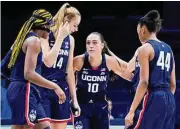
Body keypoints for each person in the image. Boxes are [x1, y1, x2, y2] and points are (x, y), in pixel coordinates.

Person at [3, 9, 66, 129]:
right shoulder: (34, 41)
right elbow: (29, 74)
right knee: (25, 126)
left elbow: (3, 67)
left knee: (42, 126)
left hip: (22, 89)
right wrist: (55, 86)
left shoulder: (22, 39)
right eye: (50, 24)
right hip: (24, 89)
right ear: (43, 24)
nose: (51, 29)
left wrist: (15, 82)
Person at [125, 10, 176, 129]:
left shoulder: (145, 49)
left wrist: (131, 111)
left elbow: (144, 82)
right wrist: (164, 101)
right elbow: (173, 84)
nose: (138, 35)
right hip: (169, 99)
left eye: (138, 31)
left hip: (153, 96)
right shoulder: (169, 49)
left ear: (142, 29)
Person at [73, 32, 133, 129]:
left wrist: (141, 80)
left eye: (94, 43)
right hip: (82, 106)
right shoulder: (79, 60)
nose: (90, 46)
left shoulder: (109, 61)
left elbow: (124, 73)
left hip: (100, 106)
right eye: (88, 43)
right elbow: (66, 75)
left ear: (102, 45)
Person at [37, 3, 81, 129]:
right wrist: (60, 37)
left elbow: (69, 71)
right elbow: (48, 61)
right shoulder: (45, 33)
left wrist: (74, 99)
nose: (76, 29)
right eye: (75, 25)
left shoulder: (71, 40)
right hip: (43, 88)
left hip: (61, 90)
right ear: (66, 21)